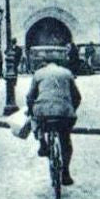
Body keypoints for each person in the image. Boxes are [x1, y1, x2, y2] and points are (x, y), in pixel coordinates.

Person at [26, 55, 82, 185]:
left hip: (43, 113)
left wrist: (30, 109)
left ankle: (42, 144)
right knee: (66, 140)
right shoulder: (67, 73)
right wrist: (71, 108)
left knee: (35, 120)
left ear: (45, 63)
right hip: (64, 114)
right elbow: (77, 97)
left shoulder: (38, 74)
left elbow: (30, 97)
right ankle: (66, 173)